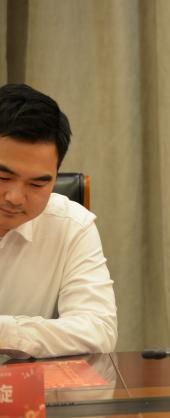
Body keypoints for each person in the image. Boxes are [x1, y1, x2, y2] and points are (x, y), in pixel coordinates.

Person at [0, 83, 117, 358]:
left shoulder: (71, 225)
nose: (15, 197)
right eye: (3, 177)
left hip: (27, 385)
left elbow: (98, 330)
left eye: (37, 184)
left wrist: (6, 332)